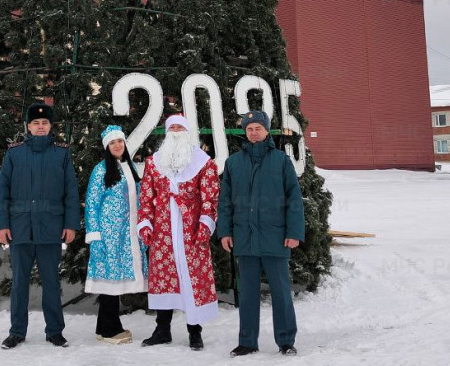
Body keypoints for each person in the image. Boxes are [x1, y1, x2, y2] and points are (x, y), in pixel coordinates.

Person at [0, 102, 80, 350]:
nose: (40, 127)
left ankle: (55, 331)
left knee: (51, 282)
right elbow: (2, 192)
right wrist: (1, 225)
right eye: (35, 123)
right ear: (28, 127)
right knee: (19, 282)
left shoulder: (61, 154)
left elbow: (71, 193)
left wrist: (70, 224)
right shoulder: (14, 153)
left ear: (51, 126)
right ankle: (16, 332)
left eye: (44, 123)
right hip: (19, 228)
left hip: (51, 228)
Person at [216, 110, 304, 357]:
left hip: (275, 236)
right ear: (245, 132)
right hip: (244, 237)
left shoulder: (281, 161)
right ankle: (247, 341)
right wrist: (225, 232)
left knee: (280, 292)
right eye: (249, 129)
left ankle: (286, 341)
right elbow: (225, 202)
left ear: (267, 131)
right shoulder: (233, 163)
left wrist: (294, 232)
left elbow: (294, 198)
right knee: (248, 294)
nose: (254, 132)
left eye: (258, 128)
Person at [137, 114, 220, 351]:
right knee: (165, 280)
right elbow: (147, 196)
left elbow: (210, 195)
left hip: (190, 230)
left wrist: (205, 223)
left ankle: (195, 332)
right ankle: (162, 330)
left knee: (191, 279)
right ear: (166, 132)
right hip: (163, 232)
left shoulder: (203, 162)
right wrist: (146, 223)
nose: (175, 130)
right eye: (171, 127)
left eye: (179, 127)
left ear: (186, 131)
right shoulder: (154, 163)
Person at [84, 125, 148, 344]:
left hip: (127, 233)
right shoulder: (100, 170)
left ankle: (104, 327)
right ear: (107, 147)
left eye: (120, 141)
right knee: (110, 279)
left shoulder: (129, 167)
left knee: (115, 278)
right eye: (113, 143)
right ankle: (111, 329)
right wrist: (95, 235)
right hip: (109, 234)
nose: (117, 145)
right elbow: (92, 204)